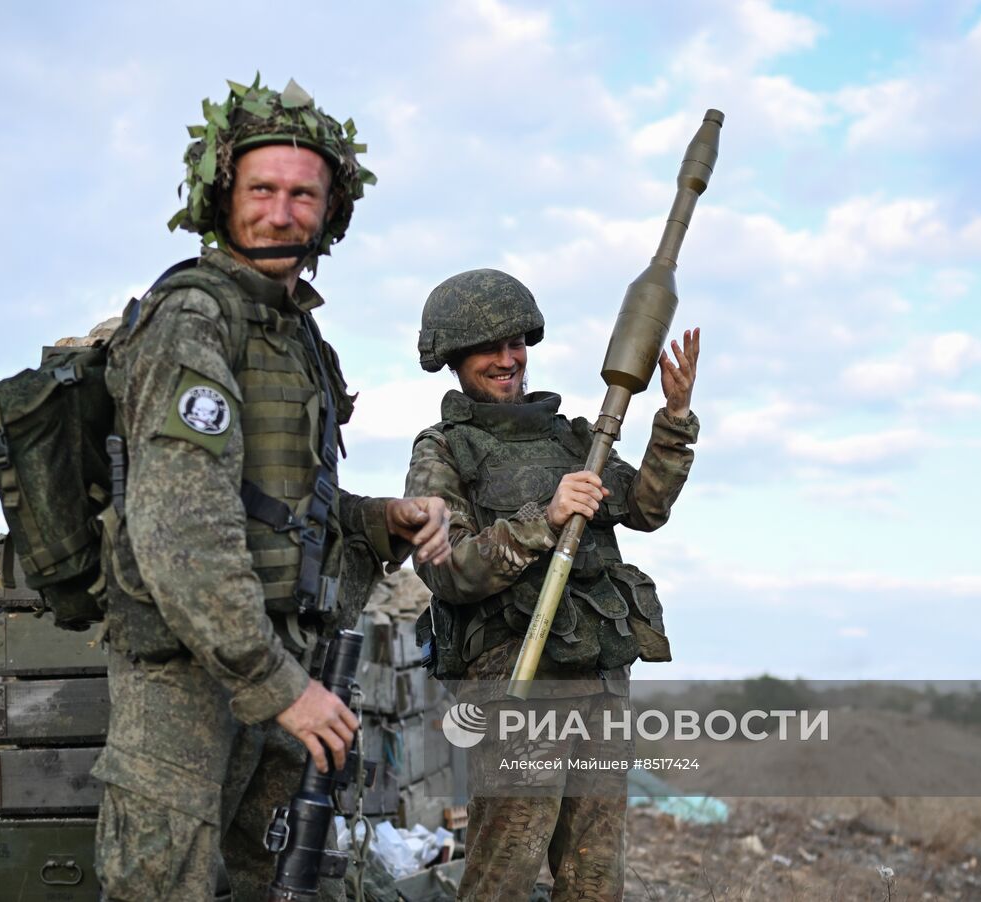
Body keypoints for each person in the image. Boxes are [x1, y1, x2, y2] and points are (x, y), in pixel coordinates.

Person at [91, 76, 452, 901]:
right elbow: (184, 530)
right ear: (222, 198)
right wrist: (278, 686)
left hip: (279, 666)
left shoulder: (296, 338)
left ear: (331, 213)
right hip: (189, 679)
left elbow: (289, 511)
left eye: (302, 194)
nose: (282, 213)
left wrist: (380, 519)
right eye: (262, 189)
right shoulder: (194, 318)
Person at [407, 269, 701, 901]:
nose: (509, 359)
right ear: (454, 358)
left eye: (517, 343)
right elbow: (445, 569)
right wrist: (547, 519)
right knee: (504, 873)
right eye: (490, 348)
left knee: (595, 877)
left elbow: (645, 508)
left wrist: (673, 420)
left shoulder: (574, 440)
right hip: (517, 687)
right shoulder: (444, 451)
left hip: (598, 679)